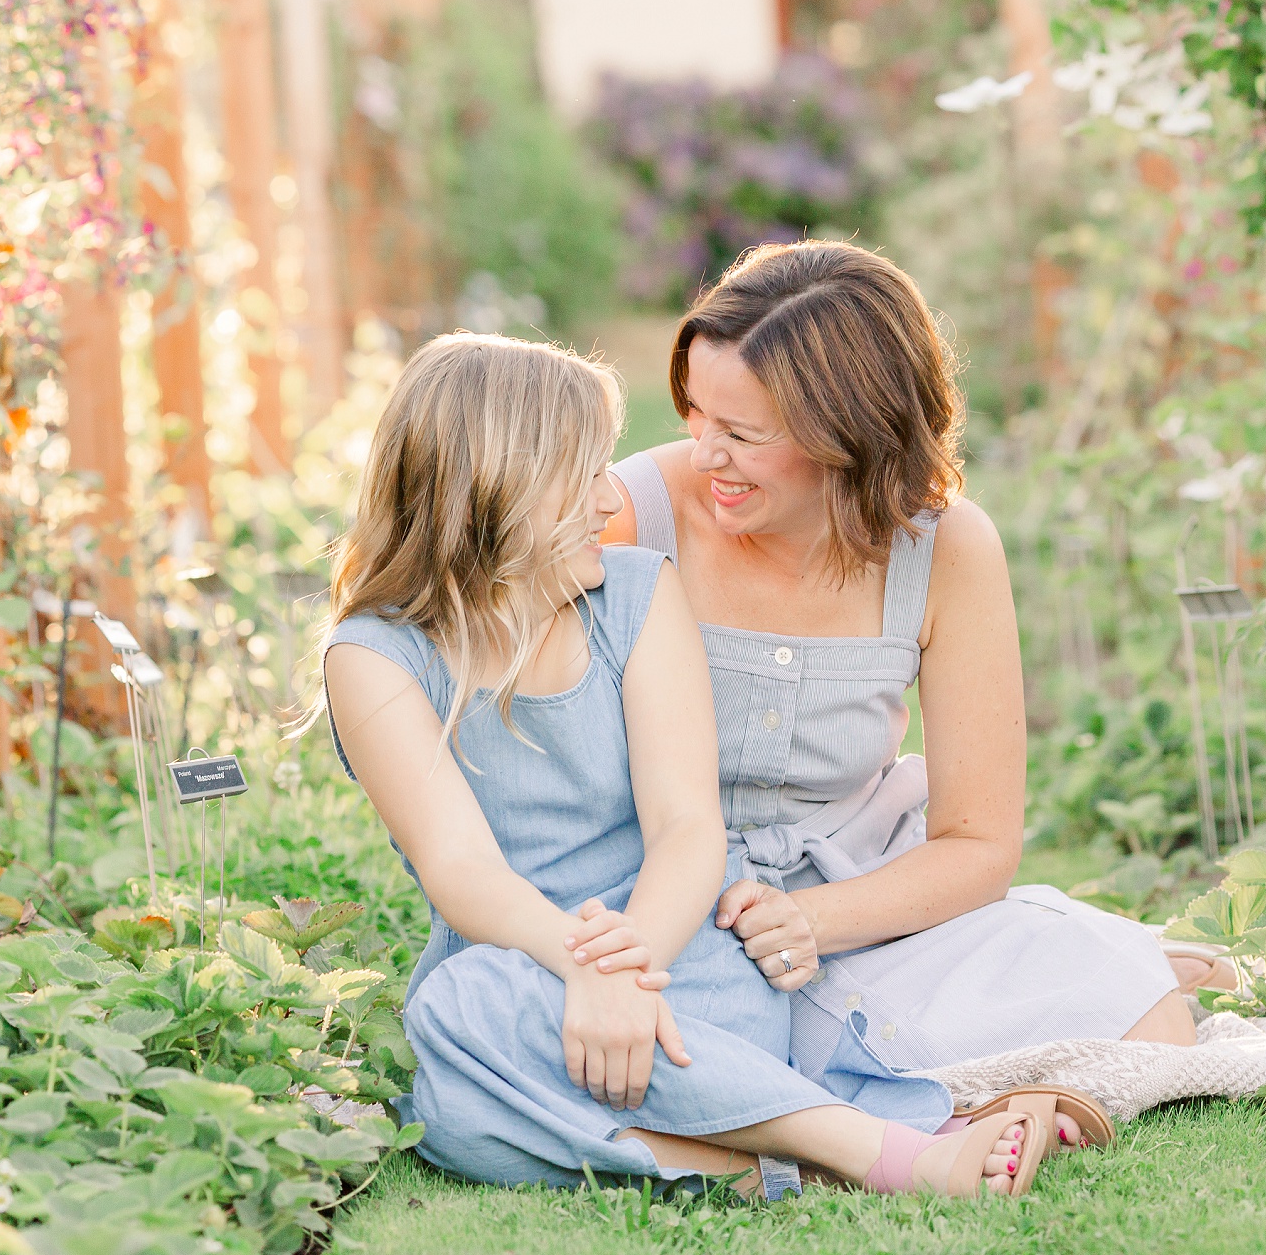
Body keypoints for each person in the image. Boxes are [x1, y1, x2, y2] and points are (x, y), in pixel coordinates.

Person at [322, 332, 1079, 1197]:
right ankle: (774, 1162)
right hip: (519, 965)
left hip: (686, 951)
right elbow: (462, 868)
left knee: (465, 1093)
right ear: (500, 490)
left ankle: (886, 1156)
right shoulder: (375, 655)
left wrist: (633, 964)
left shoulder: (637, 594)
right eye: (584, 476)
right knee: (453, 1028)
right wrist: (586, 971)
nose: (612, 496)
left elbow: (688, 826)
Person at [601, 241, 1197, 1153]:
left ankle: (958, 1101)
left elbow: (978, 841)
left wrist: (815, 920)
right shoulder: (631, 515)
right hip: (664, 906)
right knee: (687, 1048)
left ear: (850, 434)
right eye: (695, 413)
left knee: (1141, 998)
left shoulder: (945, 549)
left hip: (861, 905)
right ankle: (953, 1115)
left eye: (745, 434)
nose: (705, 452)